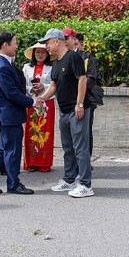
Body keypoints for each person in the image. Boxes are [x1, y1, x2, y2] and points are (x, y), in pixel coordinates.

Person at [0, 31, 37, 195]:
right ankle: (13, 184)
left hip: (3, 113)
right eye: (14, 43)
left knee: (2, 147)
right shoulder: (2, 65)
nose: (16, 46)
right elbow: (11, 93)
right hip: (8, 114)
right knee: (12, 149)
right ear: (5, 45)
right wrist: (32, 101)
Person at [38, 28, 94, 198]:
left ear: (56, 41)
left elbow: (82, 79)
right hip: (64, 111)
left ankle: (85, 184)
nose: (46, 47)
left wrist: (80, 104)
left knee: (80, 148)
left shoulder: (73, 57)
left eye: (47, 43)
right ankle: (69, 179)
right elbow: (53, 86)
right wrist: (41, 98)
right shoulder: (56, 63)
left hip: (76, 110)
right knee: (68, 147)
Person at [21, 42, 55, 172]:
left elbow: (55, 85)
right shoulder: (26, 68)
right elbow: (22, 85)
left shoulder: (52, 68)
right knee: (31, 131)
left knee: (46, 132)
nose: (40, 55)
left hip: (47, 103)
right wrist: (32, 90)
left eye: (43, 52)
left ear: (47, 53)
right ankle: (31, 162)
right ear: (33, 54)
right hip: (31, 103)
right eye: (37, 52)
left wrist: (43, 88)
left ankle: (44, 163)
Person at [75, 32, 102, 158]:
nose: (75, 47)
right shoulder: (67, 57)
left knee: (86, 131)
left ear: (82, 44)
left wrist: (79, 88)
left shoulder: (87, 58)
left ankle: (86, 158)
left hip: (87, 100)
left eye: (76, 44)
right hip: (70, 100)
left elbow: (91, 78)